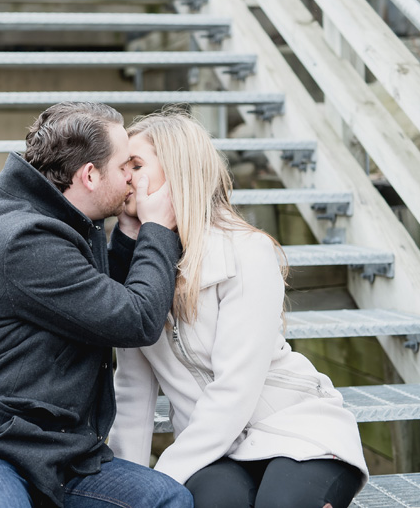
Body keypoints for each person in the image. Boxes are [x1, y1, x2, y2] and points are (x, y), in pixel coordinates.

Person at [0, 101, 193, 508]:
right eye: (124, 166)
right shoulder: (25, 239)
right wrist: (157, 229)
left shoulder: (66, 215)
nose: (132, 177)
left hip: (58, 454)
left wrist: (129, 232)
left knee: (167, 500)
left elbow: (93, 298)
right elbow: (136, 320)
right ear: (90, 175)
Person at [109, 109, 368, 508]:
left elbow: (234, 391)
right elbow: (132, 393)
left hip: (296, 432)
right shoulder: (136, 272)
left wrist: (163, 474)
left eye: (136, 165)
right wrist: (129, 491)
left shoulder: (245, 251)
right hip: (213, 449)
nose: (124, 176)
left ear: (178, 172)